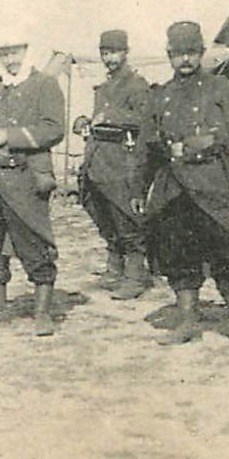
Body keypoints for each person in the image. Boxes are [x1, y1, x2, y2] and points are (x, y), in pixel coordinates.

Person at [141, 21, 229, 349]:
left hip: (212, 185)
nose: (186, 60)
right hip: (174, 189)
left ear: (201, 52)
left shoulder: (220, 88)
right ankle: (187, 322)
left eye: (192, 53)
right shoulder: (160, 95)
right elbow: (147, 148)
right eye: (179, 54)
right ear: (169, 56)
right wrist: (140, 191)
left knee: (227, 256)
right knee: (179, 258)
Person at [0, 35, 67, 336]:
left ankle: (42, 312)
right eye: (5, 54)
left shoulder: (44, 84)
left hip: (26, 177)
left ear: (28, 51)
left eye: (16, 52)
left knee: (32, 240)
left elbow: (53, 129)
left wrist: (10, 136)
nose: (11, 60)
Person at [73, 30, 154, 300]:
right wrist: (85, 120)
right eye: (105, 53)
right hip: (98, 160)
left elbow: (145, 119)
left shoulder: (136, 84)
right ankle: (114, 270)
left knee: (125, 216)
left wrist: (110, 116)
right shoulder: (104, 87)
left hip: (122, 161)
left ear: (126, 52)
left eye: (114, 52)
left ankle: (135, 276)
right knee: (103, 215)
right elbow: (99, 118)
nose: (109, 58)